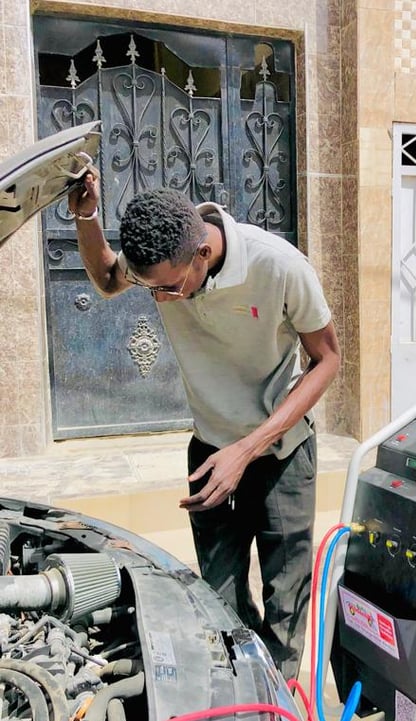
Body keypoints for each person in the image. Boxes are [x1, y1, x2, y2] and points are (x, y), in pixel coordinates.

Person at [69, 177, 341, 682]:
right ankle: (243, 687)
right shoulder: (162, 258)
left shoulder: (279, 265)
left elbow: (327, 359)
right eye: (153, 288)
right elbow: (108, 279)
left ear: (202, 252)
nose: (164, 296)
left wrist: (250, 447)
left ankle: (276, 700)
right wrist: (86, 217)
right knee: (220, 592)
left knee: (286, 595)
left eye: (170, 285)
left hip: (282, 452)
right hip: (210, 449)